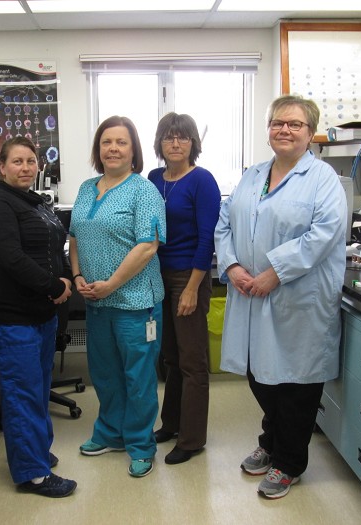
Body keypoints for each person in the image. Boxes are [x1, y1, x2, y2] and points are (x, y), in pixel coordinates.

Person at [214, 94, 347, 499]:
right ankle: (271, 440)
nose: (284, 130)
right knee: (260, 374)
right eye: (277, 123)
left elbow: (323, 234)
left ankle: (289, 462)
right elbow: (225, 223)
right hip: (250, 293)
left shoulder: (323, 179)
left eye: (295, 124)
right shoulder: (252, 175)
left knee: (296, 384)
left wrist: (274, 273)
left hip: (298, 298)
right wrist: (233, 266)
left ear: (310, 134)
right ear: (268, 129)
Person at [0, 136, 77, 498]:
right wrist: (55, 286)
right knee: (22, 393)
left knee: (37, 388)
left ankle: (36, 452)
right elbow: (13, 259)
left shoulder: (34, 202)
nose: (25, 168)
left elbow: (52, 245)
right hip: (12, 315)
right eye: (17, 161)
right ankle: (32, 474)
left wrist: (62, 279)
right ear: (1, 167)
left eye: (31, 161)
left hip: (41, 313)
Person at [69, 115, 166, 478]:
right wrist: (77, 275)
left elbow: (147, 246)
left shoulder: (144, 191)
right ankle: (110, 434)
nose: (113, 148)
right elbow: (75, 237)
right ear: (98, 149)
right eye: (106, 141)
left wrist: (111, 283)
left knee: (138, 377)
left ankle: (141, 445)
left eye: (121, 142)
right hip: (96, 301)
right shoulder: (85, 188)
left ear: (133, 150)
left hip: (135, 303)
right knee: (105, 374)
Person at [147, 113, 221, 465]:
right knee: (171, 357)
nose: (175, 143)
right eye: (169, 137)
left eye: (183, 138)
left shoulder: (203, 181)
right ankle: (171, 424)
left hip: (188, 276)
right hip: (156, 276)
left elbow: (207, 239)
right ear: (160, 143)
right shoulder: (152, 178)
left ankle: (192, 440)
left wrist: (192, 288)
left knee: (192, 362)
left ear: (193, 143)